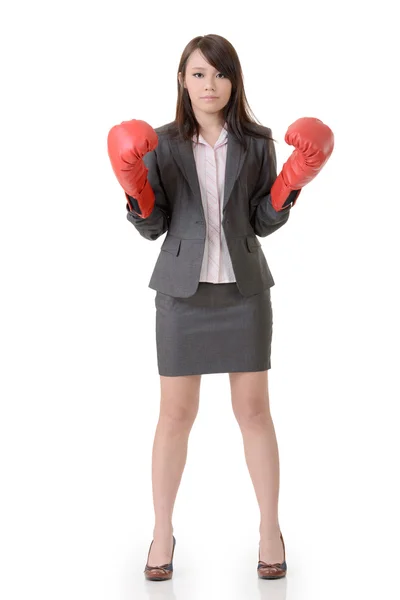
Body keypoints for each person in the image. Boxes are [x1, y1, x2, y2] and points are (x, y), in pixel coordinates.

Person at [107, 33, 334, 581]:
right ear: (183, 81)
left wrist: (291, 181)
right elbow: (153, 225)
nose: (211, 85)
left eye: (221, 74)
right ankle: (162, 532)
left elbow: (261, 219)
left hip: (244, 291)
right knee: (175, 417)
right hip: (182, 294)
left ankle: (269, 529)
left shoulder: (257, 142)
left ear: (235, 81)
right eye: (199, 74)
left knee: (254, 413)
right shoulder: (158, 143)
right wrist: (133, 182)